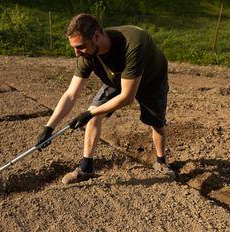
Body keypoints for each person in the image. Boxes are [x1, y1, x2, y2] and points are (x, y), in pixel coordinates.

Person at [36, 13, 175, 185]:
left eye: (80, 47)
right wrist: (49, 127)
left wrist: (90, 112)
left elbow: (127, 97)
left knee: (156, 122)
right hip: (116, 78)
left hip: (151, 79)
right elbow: (71, 94)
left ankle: (161, 162)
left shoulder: (133, 43)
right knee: (94, 117)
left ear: (96, 36)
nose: (76, 53)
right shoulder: (87, 55)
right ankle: (86, 168)